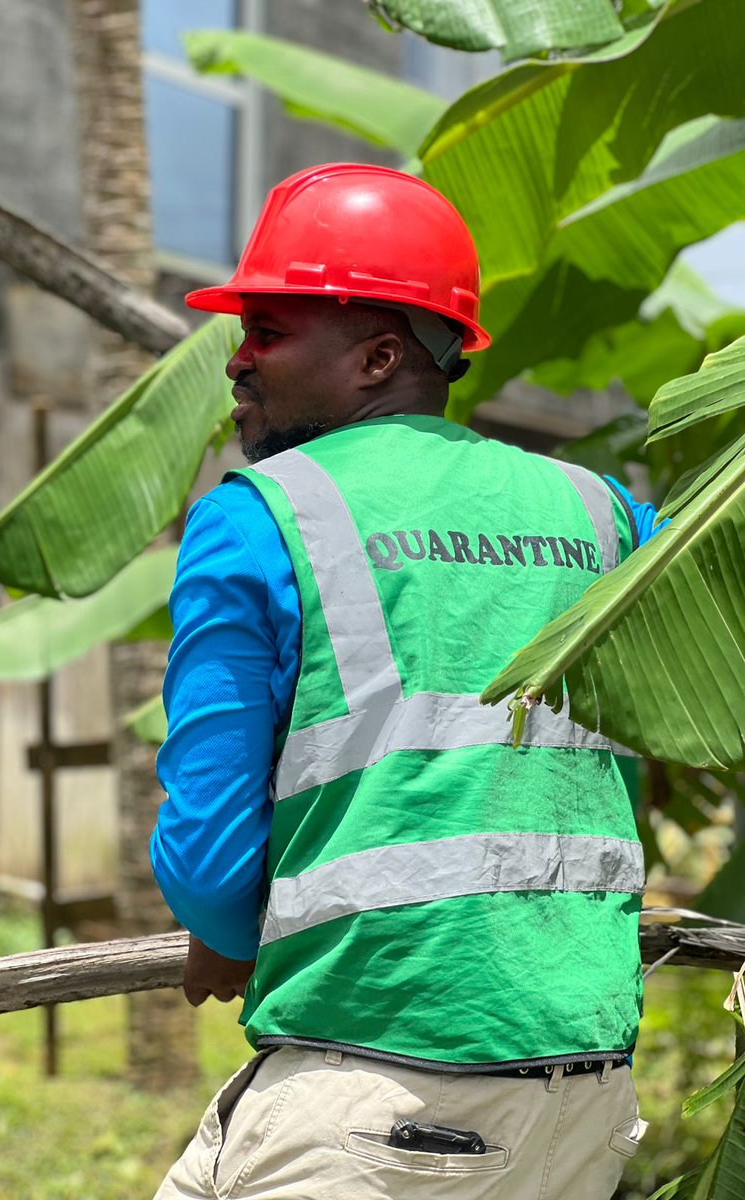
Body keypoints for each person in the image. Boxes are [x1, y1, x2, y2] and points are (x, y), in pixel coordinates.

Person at [150, 163, 658, 1200]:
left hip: (386, 1097)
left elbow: (208, 854)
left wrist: (224, 932)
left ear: (379, 355)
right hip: (587, 1086)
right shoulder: (605, 511)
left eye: (270, 333)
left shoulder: (263, 513)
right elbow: (612, 770)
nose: (238, 363)